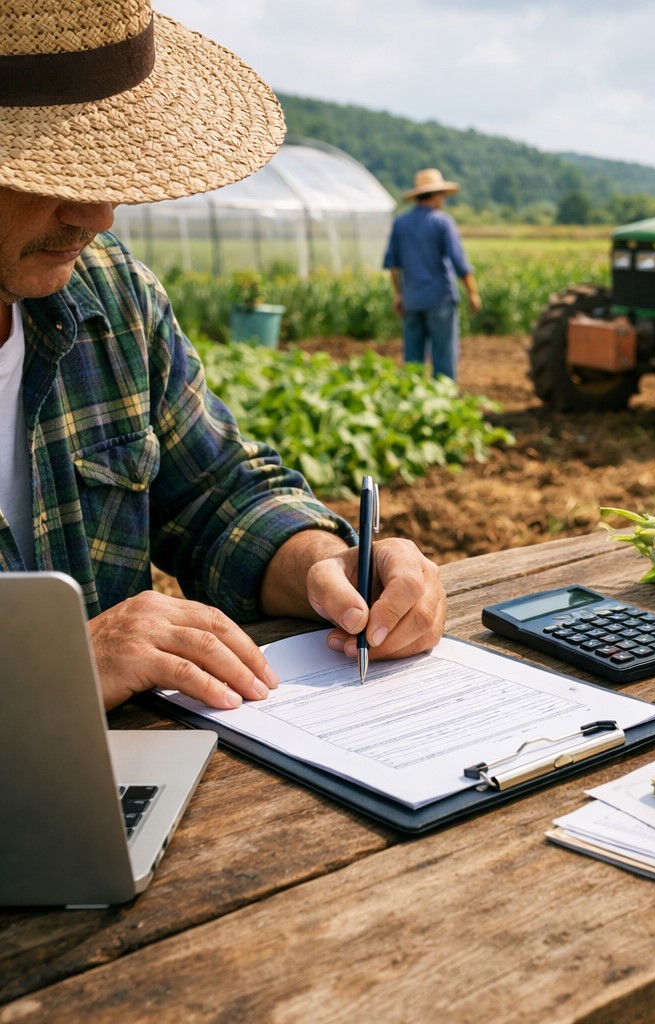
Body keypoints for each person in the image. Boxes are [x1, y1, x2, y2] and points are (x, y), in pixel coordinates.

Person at [0, 0, 445, 712]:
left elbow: (215, 496)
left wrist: (325, 565)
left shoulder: (111, 299)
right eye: (45, 170)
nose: (98, 215)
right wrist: (46, 669)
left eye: (107, 168)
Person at [383, 168, 482, 380]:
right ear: (436, 195)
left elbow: (393, 265)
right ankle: (442, 403)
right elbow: (459, 262)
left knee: (412, 361)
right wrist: (473, 293)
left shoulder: (400, 224)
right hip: (440, 299)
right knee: (444, 357)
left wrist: (399, 294)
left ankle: (413, 402)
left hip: (412, 301)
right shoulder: (442, 222)